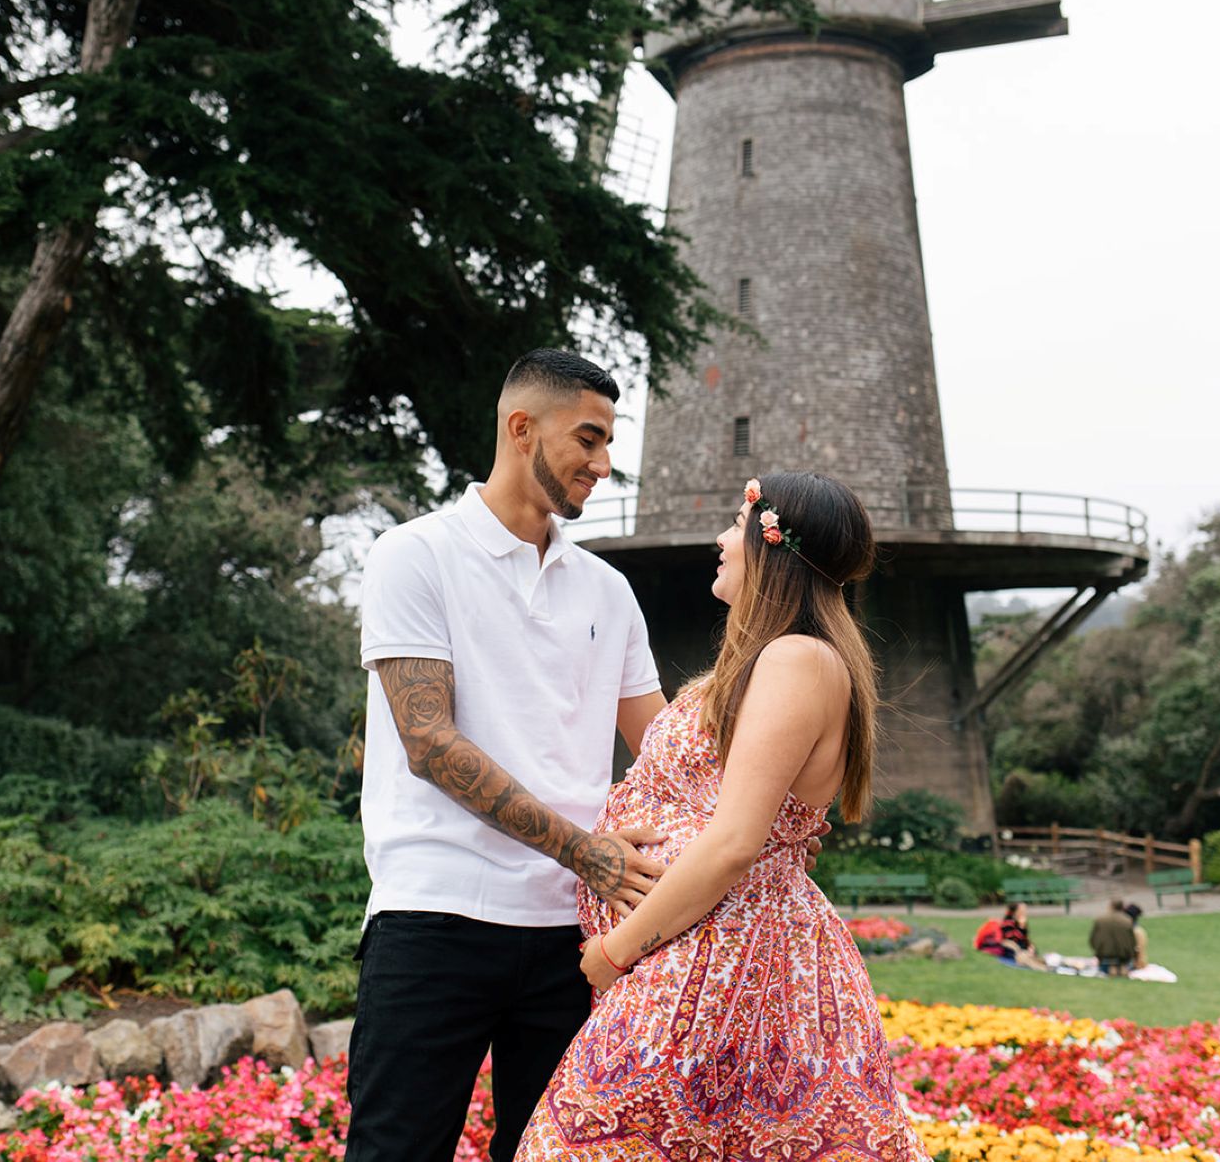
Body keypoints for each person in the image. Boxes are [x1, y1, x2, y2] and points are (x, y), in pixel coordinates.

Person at [515, 472, 930, 1161]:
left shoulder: (796, 660)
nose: (720, 539)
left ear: (772, 548)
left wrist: (615, 952)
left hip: (722, 961)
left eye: (735, 526)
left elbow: (735, 840)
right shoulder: (770, 661)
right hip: (704, 951)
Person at [346, 347, 674, 1162]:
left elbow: (667, 755)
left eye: (608, 443)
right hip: (434, 913)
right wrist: (586, 852)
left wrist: (773, 785)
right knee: (395, 1153)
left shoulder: (607, 590)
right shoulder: (414, 554)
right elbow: (430, 744)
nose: (603, 464)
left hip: (573, 936)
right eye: (587, 439)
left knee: (556, 1157)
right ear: (520, 428)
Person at [976, 901, 1042, 968]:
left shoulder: (1021, 921)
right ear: (1016, 911)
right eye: (1023, 909)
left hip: (1022, 947)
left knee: (1035, 957)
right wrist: (1021, 927)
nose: (1025, 911)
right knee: (1027, 958)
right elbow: (1009, 940)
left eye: (1025, 909)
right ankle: (1038, 966)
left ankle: (1038, 963)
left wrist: (1031, 947)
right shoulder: (1007, 922)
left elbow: (1025, 938)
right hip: (1011, 948)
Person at [1089, 898, 1137, 975]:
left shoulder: (1100, 920)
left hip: (1104, 955)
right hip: (1123, 956)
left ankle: (1113, 969)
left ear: (1111, 906)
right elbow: (1132, 941)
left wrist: (1098, 951)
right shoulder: (1127, 920)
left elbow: (1093, 939)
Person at [1124, 902, 1149, 971]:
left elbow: (1137, 951)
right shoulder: (1138, 930)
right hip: (1139, 962)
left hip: (1135, 964)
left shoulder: (1135, 931)